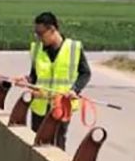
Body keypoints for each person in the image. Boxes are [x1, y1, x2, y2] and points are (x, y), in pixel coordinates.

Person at [24, 12, 91, 150]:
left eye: (41, 33)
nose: (38, 37)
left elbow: (85, 73)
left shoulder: (74, 48)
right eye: (36, 33)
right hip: (40, 106)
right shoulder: (37, 49)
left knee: (58, 144)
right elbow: (34, 76)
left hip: (61, 105)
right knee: (38, 144)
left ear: (52, 30)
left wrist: (75, 89)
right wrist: (27, 81)